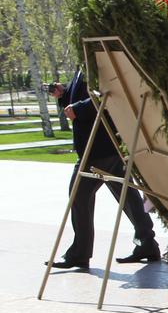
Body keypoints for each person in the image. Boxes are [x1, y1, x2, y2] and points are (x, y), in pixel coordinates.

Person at [46, 71, 161, 270]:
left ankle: (79, 254)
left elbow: (111, 96)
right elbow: (87, 95)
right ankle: (147, 243)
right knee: (127, 195)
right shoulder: (84, 63)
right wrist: (64, 94)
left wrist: (79, 109)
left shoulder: (97, 61)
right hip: (106, 148)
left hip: (97, 149)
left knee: (78, 196)